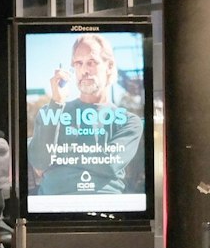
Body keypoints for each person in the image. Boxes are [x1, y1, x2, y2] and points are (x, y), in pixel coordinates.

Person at [26, 33, 145, 198]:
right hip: (52, 207)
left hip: (108, 206)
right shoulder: (51, 111)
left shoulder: (129, 122)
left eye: (91, 62)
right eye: (78, 63)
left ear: (109, 66)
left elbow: (109, 163)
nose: (84, 70)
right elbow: (39, 163)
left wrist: (58, 154)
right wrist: (57, 102)